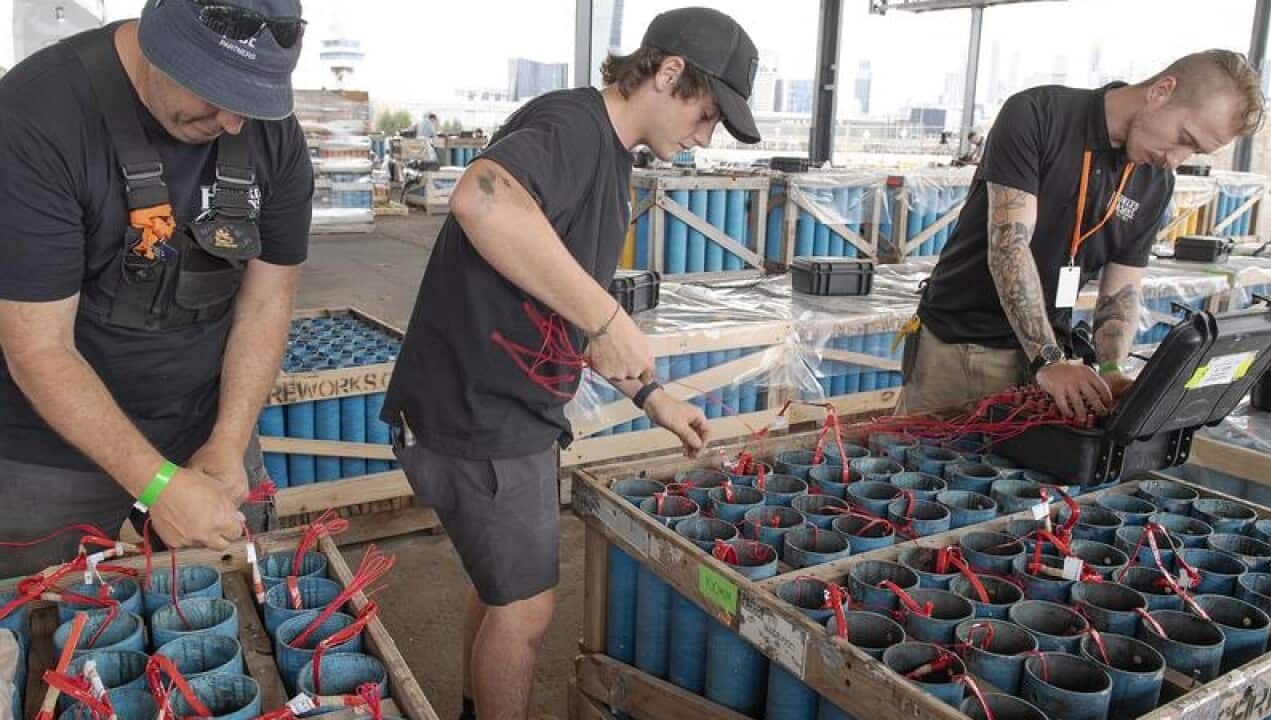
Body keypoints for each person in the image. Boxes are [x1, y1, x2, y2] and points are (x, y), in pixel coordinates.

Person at [381, 8, 761, 719]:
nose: (706, 137)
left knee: (501, 593)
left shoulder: (608, 154)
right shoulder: (574, 128)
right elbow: (479, 198)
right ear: (668, 72)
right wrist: (608, 316)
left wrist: (653, 396)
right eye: (707, 115)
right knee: (526, 615)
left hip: (505, 407)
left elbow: (560, 295)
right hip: (479, 413)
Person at [0, 0, 313, 577]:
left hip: (203, 429)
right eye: (217, 93)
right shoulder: (36, 117)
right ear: (158, 39)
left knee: (228, 612)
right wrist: (158, 483)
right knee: (42, 625)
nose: (234, 123)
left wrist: (227, 440)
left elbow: (267, 301)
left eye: (252, 100)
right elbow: (39, 346)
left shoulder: (269, 134)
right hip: (48, 451)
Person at [898, 50, 1264, 418]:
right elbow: (1009, 245)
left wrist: (1109, 369)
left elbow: (1121, 290)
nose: (1176, 159)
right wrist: (1049, 358)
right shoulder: (1039, 115)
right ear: (1162, 90)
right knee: (924, 463)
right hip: (962, 345)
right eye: (1184, 137)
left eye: (1195, 151)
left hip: (1052, 363)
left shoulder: (1156, 181)